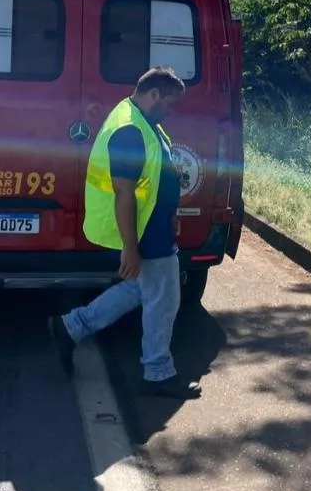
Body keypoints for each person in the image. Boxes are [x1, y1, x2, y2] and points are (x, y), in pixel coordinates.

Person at [47, 66, 201, 400]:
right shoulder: (129, 129)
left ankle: (71, 326)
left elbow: (156, 174)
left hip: (153, 223)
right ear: (154, 94)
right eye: (169, 103)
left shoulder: (142, 120)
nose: (171, 111)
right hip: (146, 232)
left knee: (140, 289)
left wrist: (171, 212)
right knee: (164, 299)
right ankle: (158, 373)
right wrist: (130, 246)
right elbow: (123, 191)